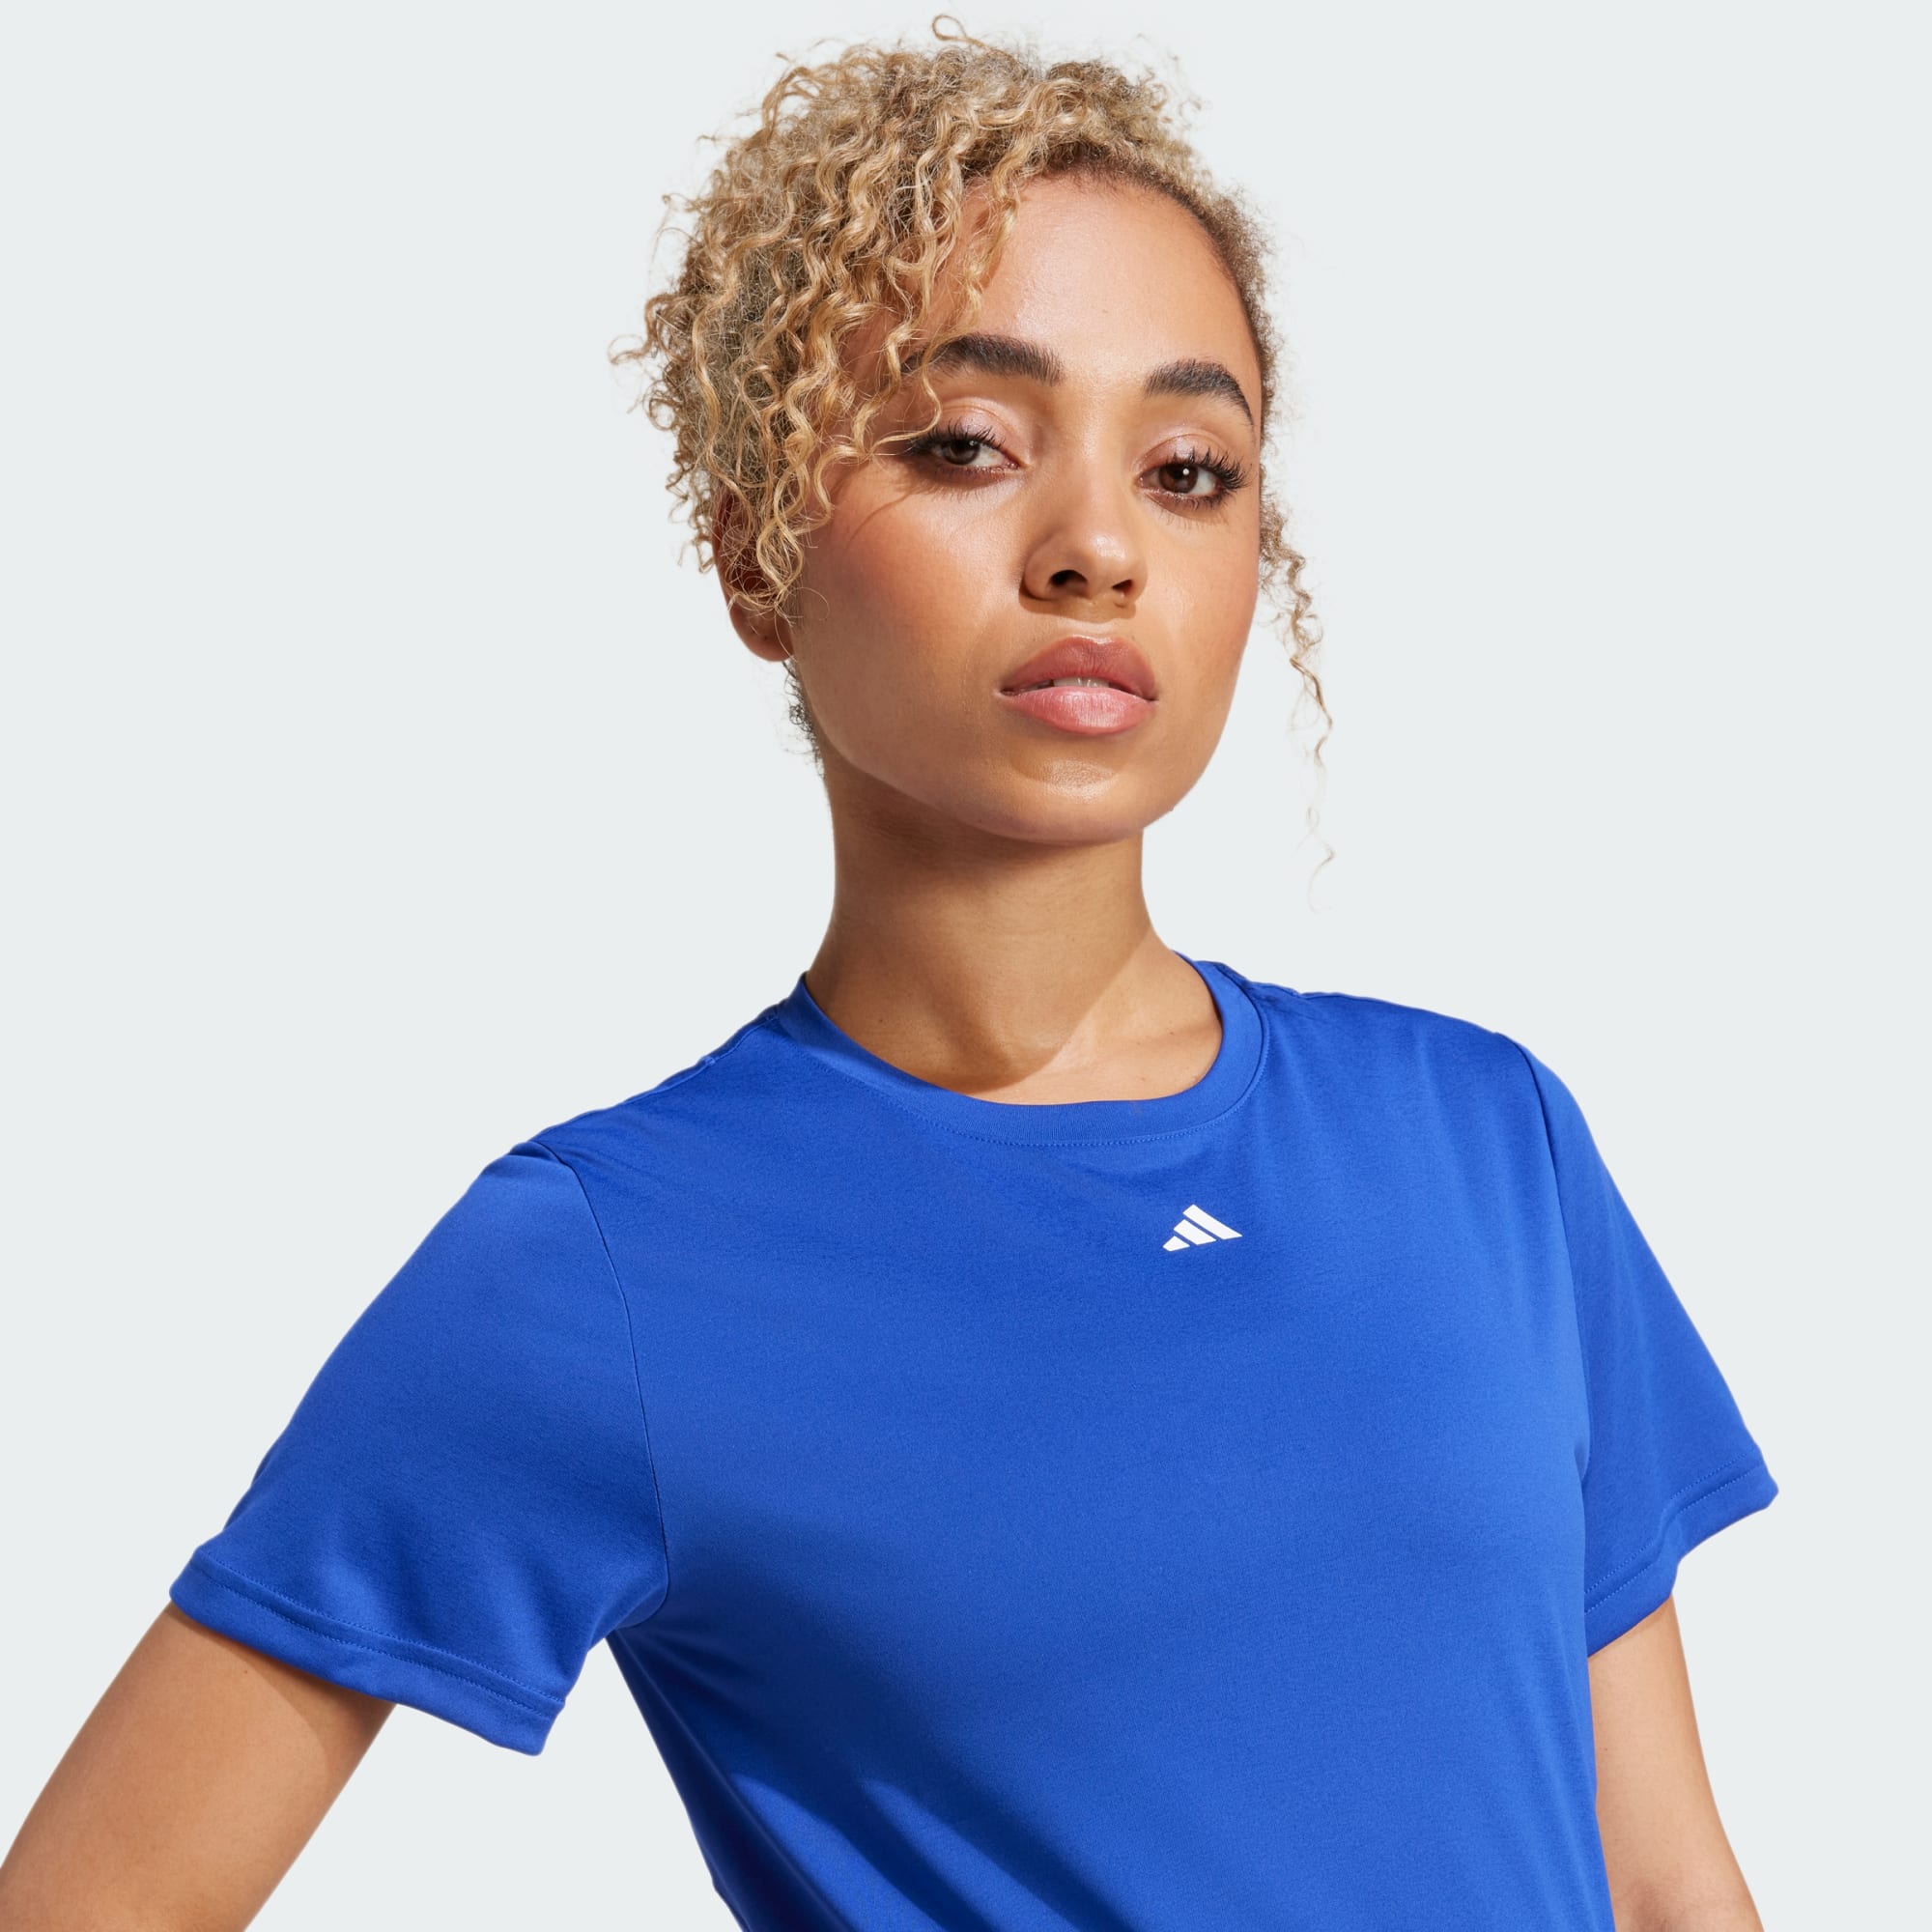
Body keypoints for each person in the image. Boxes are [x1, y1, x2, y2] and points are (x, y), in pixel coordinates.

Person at [0, 22, 1779, 1931]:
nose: (1094, 548)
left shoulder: (1484, 1140)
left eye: (1188, 468)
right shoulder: (606, 1266)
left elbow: (1670, 1883)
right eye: (963, 447)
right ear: (753, 554)